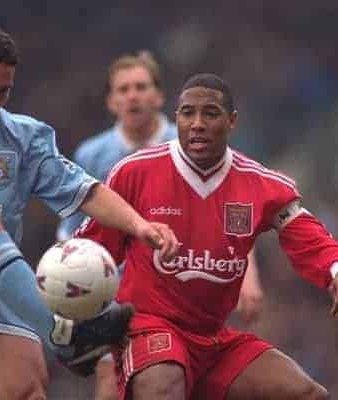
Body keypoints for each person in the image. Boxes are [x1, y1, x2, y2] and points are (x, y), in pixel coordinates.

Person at [0, 22, 180, 400]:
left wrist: (139, 224)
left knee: (26, 390)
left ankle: (62, 336)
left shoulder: (22, 137)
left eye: (3, 92)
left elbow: (85, 191)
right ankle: (65, 336)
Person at [75, 73, 338, 400]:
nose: (197, 123)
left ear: (232, 121)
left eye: (210, 114)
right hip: (149, 326)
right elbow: (93, 251)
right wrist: (72, 305)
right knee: (164, 383)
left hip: (213, 340)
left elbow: (308, 235)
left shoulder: (261, 184)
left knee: (306, 394)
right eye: (187, 113)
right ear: (177, 119)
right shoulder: (134, 172)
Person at [58, 52, 265, 400]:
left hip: (184, 291)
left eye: (141, 87)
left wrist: (250, 277)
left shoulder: (192, 141)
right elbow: (74, 235)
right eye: (123, 89)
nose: (132, 96)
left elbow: (234, 215)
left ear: (158, 97)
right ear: (111, 101)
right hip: (118, 296)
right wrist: (75, 299)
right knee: (111, 388)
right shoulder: (92, 155)